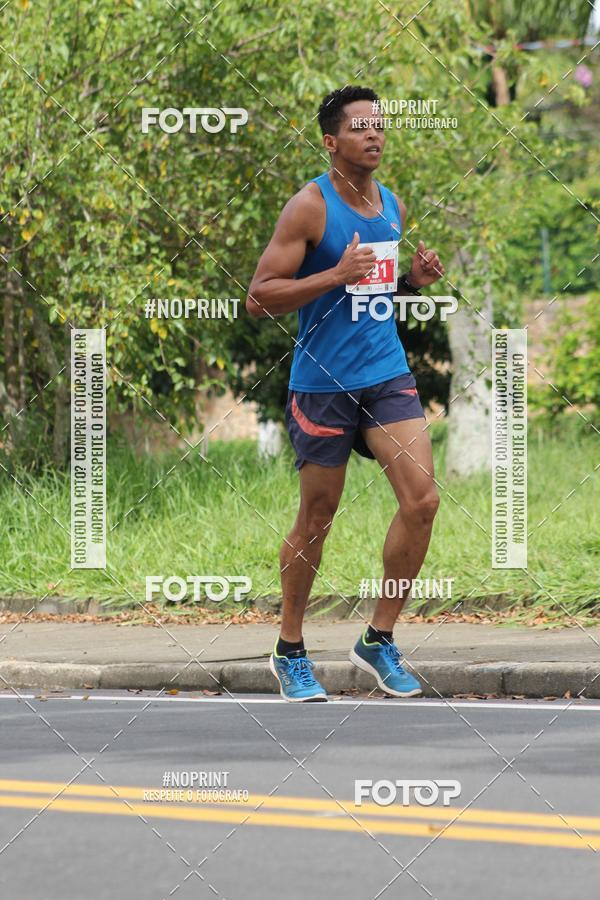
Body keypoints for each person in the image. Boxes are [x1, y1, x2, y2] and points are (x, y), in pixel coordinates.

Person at [246, 85, 445, 702]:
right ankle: (291, 649)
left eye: (379, 126)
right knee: (317, 518)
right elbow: (258, 297)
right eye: (360, 128)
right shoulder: (309, 208)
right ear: (332, 141)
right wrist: (332, 273)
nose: (375, 136)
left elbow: (374, 301)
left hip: (385, 376)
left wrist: (411, 284)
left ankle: (378, 639)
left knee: (423, 502)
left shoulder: (391, 206)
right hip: (323, 385)